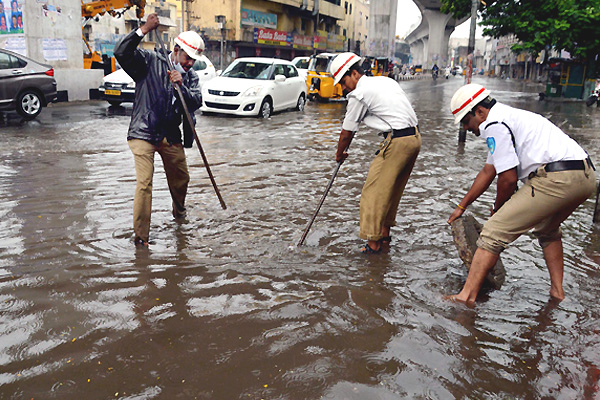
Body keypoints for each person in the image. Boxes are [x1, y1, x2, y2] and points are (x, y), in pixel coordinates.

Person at [447, 83, 595, 304]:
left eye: (467, 121)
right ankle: (557, 293)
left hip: (557, 178)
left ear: (480, 111)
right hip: (585, 176)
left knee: (493, 232)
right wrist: (461, 206)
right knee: (548, 229)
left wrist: (498, 211)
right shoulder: (508, 117)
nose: (468, 129)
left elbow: (508, 179)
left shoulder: (494, 124)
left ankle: (465, 297)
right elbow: (489, 171)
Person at [114, 13, 204, 247]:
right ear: (176, 50)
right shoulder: (149, 61)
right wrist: (143, 30)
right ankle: (141, 238)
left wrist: (181, 87)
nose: (190, 64)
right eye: (187, 58)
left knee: (181, 178)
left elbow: (196, 102)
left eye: (193, 60)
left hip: (170, 135)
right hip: (144, 132)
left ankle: (179, 214)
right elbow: (121, 53)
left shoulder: (190, 77)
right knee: (144, 184)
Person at [331, 52, 421, 254]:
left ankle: (373, 246)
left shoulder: (358, 94)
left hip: (397, 141)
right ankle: (384, 233)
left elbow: (347, 132)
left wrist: (339, 154)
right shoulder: (385, 82)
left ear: (354, 74)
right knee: (391, 190)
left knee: (372, 193)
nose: (343, 87)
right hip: (414, 138)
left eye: (343, 82)